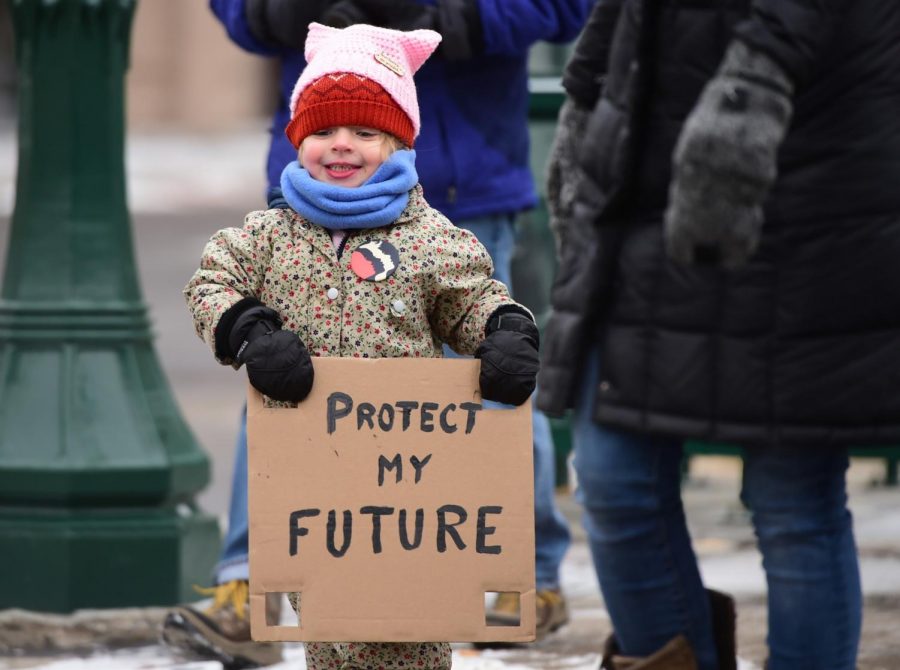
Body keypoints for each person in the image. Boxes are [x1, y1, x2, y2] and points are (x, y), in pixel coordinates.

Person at [162, 1, 591, 667]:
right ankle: (253, 583)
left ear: (397, 142)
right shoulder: (269, 236)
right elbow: (213, 281)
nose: (341, 145)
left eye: (364, 131)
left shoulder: (431, 238)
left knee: (408, 636)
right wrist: (247, 329)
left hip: (407, 500)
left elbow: (474, 296)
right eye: (324, 128)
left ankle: (517, 583)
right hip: (316, 496)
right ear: (297, 136)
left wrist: (503, 331)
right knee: (326, 637)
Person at [538, 0, 900, 669]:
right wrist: (583, 102)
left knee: (793, 499)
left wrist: (748, 92)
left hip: (815, 191)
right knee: (612, 479)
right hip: (646, 192)